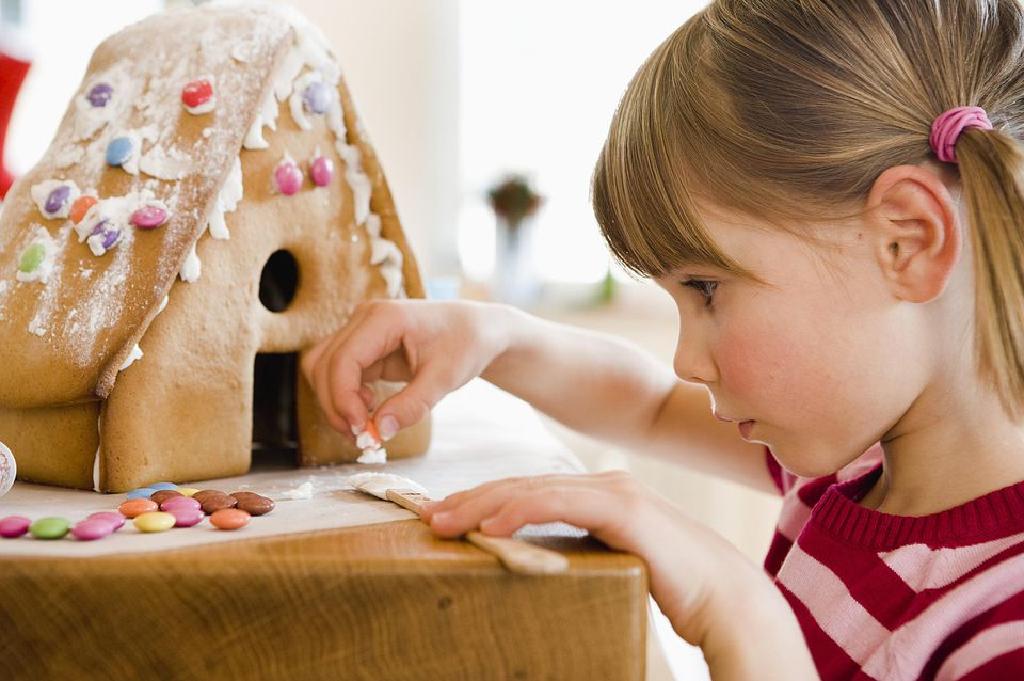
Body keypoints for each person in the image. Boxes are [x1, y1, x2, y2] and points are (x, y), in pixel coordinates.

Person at [302, 1, 1024, 678]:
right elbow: (645, 403)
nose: (684, 358)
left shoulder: (1003, 619)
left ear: (907, 241)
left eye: (707, 289)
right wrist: (494, 337)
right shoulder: (851, 465)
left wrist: (736, 607)